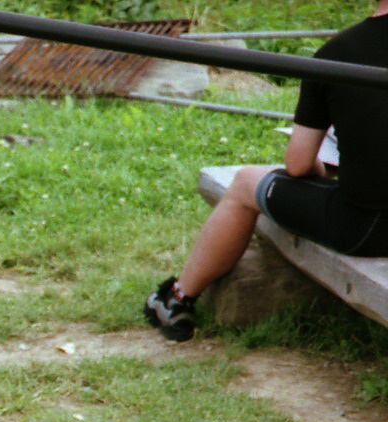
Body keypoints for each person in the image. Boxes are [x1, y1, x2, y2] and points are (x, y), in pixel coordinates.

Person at [145, 2, 388, 342]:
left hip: (370, 228)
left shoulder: (338, 52)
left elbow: (299, 164)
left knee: (246, 182)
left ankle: (177, 298)